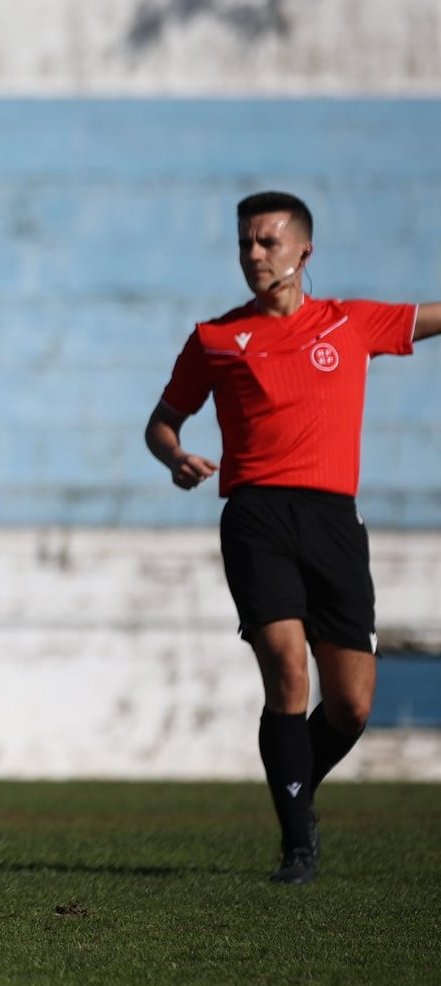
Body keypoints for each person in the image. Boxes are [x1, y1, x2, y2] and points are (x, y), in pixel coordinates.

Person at [145, 191, 437, 884]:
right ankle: (298, 843)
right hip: (256, 517)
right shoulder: (215, 338)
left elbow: (429, 316)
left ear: (304, 251)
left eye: (267, 242)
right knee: (287, 673)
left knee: (353, 705)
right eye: (244, 243)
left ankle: (294, 779)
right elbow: (162, 420)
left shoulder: (350, 324)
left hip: (334, 521)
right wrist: (174, 456)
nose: (253, 255)